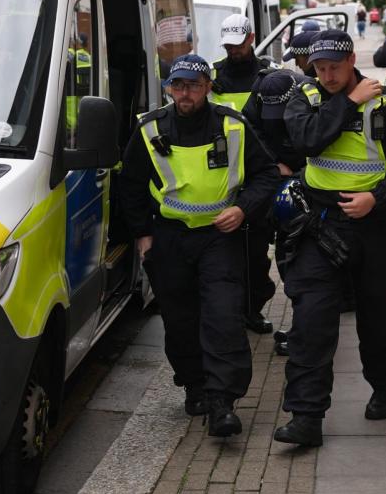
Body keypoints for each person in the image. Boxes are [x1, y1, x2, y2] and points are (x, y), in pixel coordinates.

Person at [272, 30, 386, 447]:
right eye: (319, 68)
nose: (325, 75)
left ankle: (385, 388)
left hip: (374, 227)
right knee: (311, 321)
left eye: (334, 67)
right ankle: (307, 417)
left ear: (351, 62)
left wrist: (376, 199)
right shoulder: (304, 98)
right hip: (319, 224)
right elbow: (306, 140)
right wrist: (348, 103)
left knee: (377, 317)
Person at [118, 54, 281, 435]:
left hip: (219, 237)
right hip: (170, 237)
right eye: (178, 86)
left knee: (224, 316)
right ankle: (195, 386)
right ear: (169, 89)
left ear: (208, 86)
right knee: (180, 320)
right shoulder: (149, 129)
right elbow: (130, 186)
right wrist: (144, 236)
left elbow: (267, 175)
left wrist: (242, 209)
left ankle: (223, 402)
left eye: (193, 85)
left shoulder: (233, 126)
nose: (185, 93)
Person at [211, 14, 278, 334]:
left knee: (256, 254)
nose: (233, 51)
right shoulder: (212, 75)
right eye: (228, 45)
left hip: (256, 170)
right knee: (225, 254)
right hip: (221, 173)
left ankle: (252, 308)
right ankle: (230, 312)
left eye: (238, 45)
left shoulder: (267, 74)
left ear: (250, 39)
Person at [241, 68, 311, 357]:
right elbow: (249, 131)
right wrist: (273, 164)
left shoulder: (309, 94)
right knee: (253, 248)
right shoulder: (259, 93)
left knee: (294, 254)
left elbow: (325, 140)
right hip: (270, 178)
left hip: (305, 181)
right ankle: (249, 310)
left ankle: (304, 325)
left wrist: (299, 170)